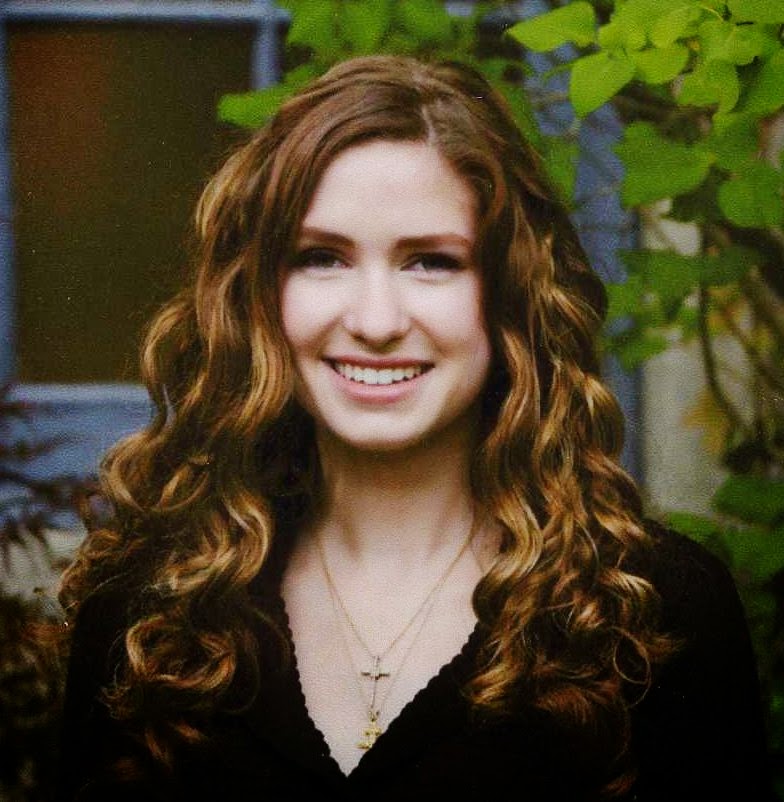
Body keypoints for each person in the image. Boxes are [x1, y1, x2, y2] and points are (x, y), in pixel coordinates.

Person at [55, 55, 775, 801]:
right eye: (322, 258)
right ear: (257, 295)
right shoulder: (146, 617)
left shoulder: (655, 614)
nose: (375, 322)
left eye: (430, 262)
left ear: (510, 295)